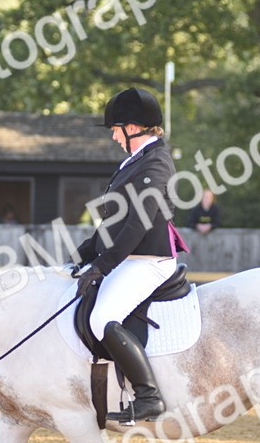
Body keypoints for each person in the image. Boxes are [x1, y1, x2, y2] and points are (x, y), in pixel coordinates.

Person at [73, 87, 183, 422]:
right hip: (129, 257)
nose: (112, 135)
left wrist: (102, 267)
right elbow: (115, 219)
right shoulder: (134, 161)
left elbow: (139, 223)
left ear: (132, 128)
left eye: (115, 128)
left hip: (149, 260)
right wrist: (83, 256)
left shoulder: (157, 162)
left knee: (101, 319)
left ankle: (149, 396)